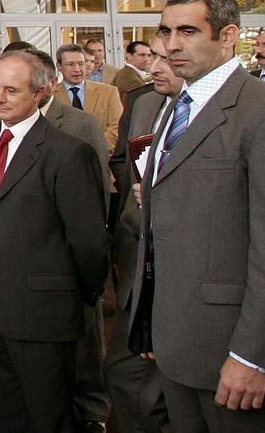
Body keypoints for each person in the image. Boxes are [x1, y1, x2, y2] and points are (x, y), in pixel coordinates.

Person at [126, 0, 265, 432]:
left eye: (188, 30)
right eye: (165, 30)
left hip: (240, 357)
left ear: (229, 35)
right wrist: (156, 320)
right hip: (179, 347)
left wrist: (253, 354)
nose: (171, 44)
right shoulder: (177, 108)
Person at [0, 50, 109, 433]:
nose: (0, 98)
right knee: (7, 410)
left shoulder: (67, 152)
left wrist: (70, 296)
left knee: (48, 414)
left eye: (12, 90)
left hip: (44, 310)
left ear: (41, 93)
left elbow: (90, 241)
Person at [104, 41, 174, 433]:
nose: (153, 66)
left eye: (165, 58)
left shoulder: (264, 113)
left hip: (191, 280)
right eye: (154, 56)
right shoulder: (146, 103)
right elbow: (124, 159)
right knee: (125, 377)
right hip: (139, 267)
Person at [56, 44, 124, 151]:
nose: (77, 69)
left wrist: (94, 150)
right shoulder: (51, 96)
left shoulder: (109, 92)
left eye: (81, 64)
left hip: (102, 157)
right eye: (70, 64)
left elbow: (116, 128)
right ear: (59, 66)